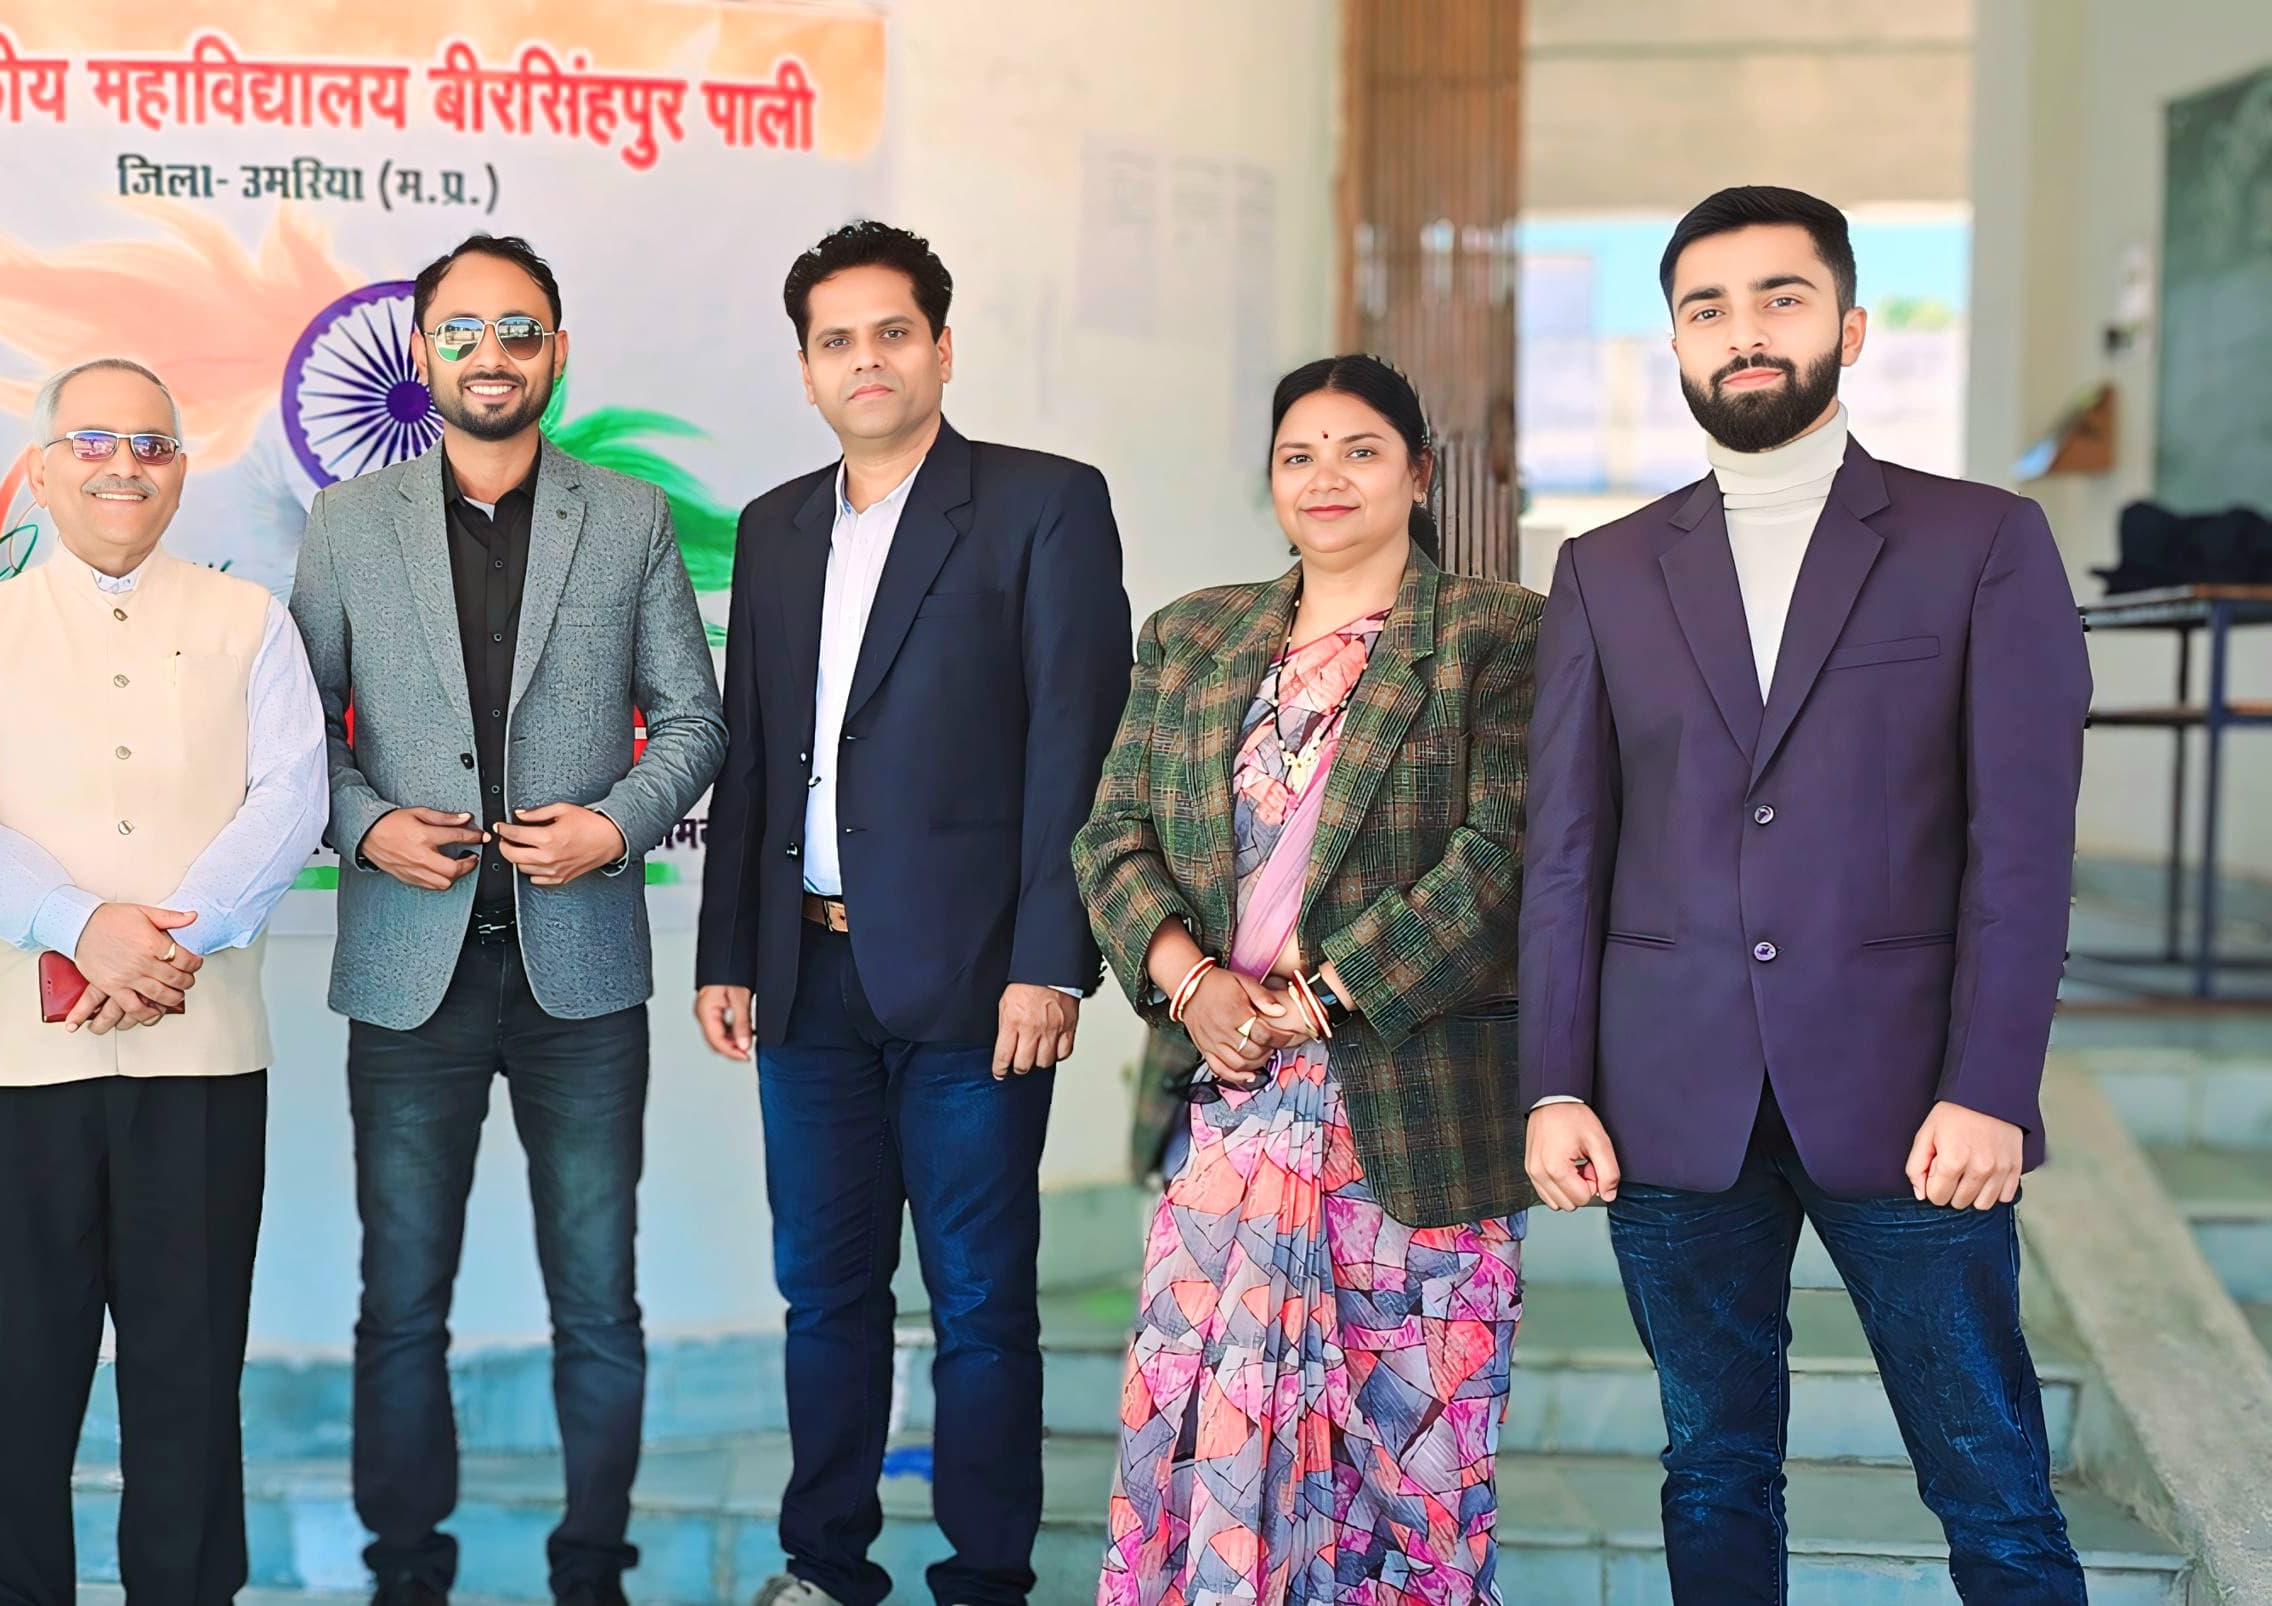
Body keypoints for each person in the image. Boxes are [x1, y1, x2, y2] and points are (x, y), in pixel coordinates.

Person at [1519, 185, 2092, 1604]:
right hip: (1668, 1096)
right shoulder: (1603, 569)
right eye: (1707, 308)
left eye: (1781, 297)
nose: (1746, 332)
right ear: (1674, 342)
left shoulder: (1982, 541)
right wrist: (1555, 1080)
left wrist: (1992, 1086)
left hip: (1913, 1103)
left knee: (1994, 1485)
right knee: (1713, 1467)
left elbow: (2022, 847)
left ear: (1849, 324)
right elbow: (1568, 849)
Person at [694, 220, 1131, 1606]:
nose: (865, 359)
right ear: (807, 369)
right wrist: (727, 948)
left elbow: (1077, 745)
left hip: (978, 985)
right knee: (824, 1296)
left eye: (893, 332)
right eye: (836, 340)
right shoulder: (772, 528)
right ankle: (824, 1566)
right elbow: (753, 754)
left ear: (942, 347)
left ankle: (985, 1578)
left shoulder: (1043, 505)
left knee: (982, 1305)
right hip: (805, 975)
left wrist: (1052, 959)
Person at [290, 233, 726, 1606]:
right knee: (400, 1303)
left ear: (557, 350)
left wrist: (616, 824)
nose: (492, 354)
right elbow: (296, 731)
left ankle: (591, 1568)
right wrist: (367, 823)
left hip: (578, 974)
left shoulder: (629, 516)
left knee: (597, 1302)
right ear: (425, 352)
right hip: (407, 971)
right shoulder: (349, 523)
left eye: (519, 329)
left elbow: (696, 718)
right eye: (464, 330)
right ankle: (404, 1572)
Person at [1077, 355, 1538, 1604]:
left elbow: (1503, 855)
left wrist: (1321, 998)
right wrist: (1190, 981)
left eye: (1360, 450)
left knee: (1418, 1477)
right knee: (1202, 1445)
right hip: (1226, 1109)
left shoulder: (1499, 633)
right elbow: (1111, 835)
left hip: (1413, 1113)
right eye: (1299, 454)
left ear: (1419, 473)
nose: (1326, 477)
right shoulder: (1193, 634)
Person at [0, 357, 328, 1606]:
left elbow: (289, 797)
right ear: (41, 471)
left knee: (189, 1365)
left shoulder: (252, 620)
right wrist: (83, 926)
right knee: (6, 1368)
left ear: (181, 471)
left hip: (202, 1055)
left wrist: (171, 941)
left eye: (151, 444)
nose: (122, 465)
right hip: (14, 1066)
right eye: (92, 442)